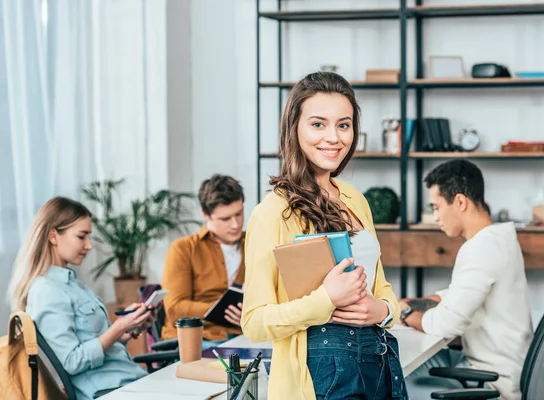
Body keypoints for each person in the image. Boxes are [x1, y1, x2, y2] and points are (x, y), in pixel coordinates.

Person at [241, 71, 408, 400]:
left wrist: (384, 311)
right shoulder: (272, 212)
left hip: (378, 358)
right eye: (318, 124)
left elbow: (381, 287)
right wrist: (325, 300)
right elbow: (254, 322)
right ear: (295, 128)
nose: (333, 137)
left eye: (343, 125)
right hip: (320, 372)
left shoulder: (354, 199)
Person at [399, 160, 533, 400]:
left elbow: (447, 324)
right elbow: (459, 293)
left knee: (393, 378)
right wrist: (415, 302)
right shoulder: (497, 239)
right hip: (493, 366)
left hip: (492, 381)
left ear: (460, 202)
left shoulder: (482, 248)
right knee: (411, 363)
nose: (435, 217)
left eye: (436, 207)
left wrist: (406, 315)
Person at [7, 197, 154, 400]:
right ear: (53, 236)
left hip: (129, 382)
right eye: (82, 236)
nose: (89, 245)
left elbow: (93, 342)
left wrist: (129, 329)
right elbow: (71, 361)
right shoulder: (47, 291)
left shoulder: (73, 285)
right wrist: (117, 327)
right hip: (109, 391)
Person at [161, 174, 246, 346]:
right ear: (206, 215)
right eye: (225, 219)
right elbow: (174, 309)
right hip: (198, 339)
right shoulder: (183, 249)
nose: (235, 224)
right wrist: (222, 310)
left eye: (239, 214)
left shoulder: (255, 243)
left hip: (243, 337)